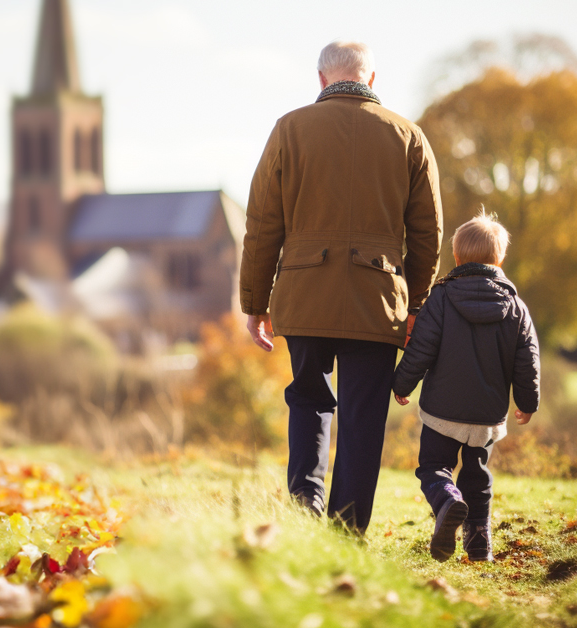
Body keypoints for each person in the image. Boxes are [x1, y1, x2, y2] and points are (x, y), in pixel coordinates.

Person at [239, 40, 443, 535]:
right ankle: (346, 530)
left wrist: (255, 302)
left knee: (309, 400)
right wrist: (414, 302)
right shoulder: (408, 136)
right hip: (377, 303)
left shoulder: (289, 129)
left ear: (321, 79)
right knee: (363, 416)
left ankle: (304, 507)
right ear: (371, 80)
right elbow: (428, 233)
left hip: (305, 294)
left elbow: (263, 223)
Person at [392, 211, 541, 562]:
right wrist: (527, 401)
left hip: (442, 411)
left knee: (434, 467)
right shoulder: (516, 308)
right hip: (486, 417)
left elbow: (422, 347)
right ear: (499, 259)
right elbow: (528, 358)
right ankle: (479, 545)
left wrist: (403, 383)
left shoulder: (441, 300)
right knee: (477, 477)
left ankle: (446, 501)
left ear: (456, 258)